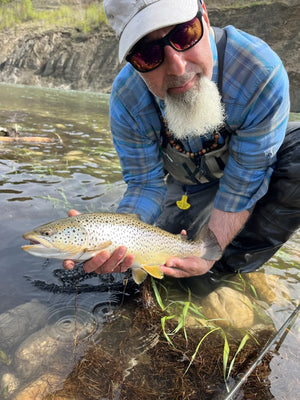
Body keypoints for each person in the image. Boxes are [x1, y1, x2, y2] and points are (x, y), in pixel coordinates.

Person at [63, 0, 300, 292]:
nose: (177, 66)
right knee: (155, 262)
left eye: (185, 34)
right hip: (186, 184)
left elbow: (246, 178)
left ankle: (229, 270)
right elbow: (145, 184)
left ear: (205, 15)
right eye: (147, 54)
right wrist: (117, 234)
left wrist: (211, 253)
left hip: (247, 168)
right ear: (132, 63)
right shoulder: (127, 99)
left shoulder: (259, 71)